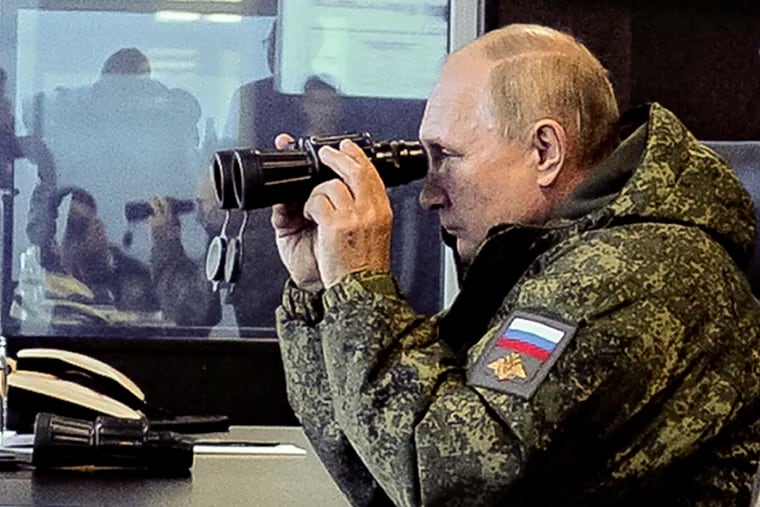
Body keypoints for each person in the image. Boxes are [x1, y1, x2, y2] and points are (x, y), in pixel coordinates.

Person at [273, 23, 760, 506]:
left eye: (446, 155)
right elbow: (382, 470)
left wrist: (360, 289)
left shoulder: (636, 274)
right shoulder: (548, 262)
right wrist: (321, 293)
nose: (427, 194)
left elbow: (446, 481)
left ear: (544, 151)